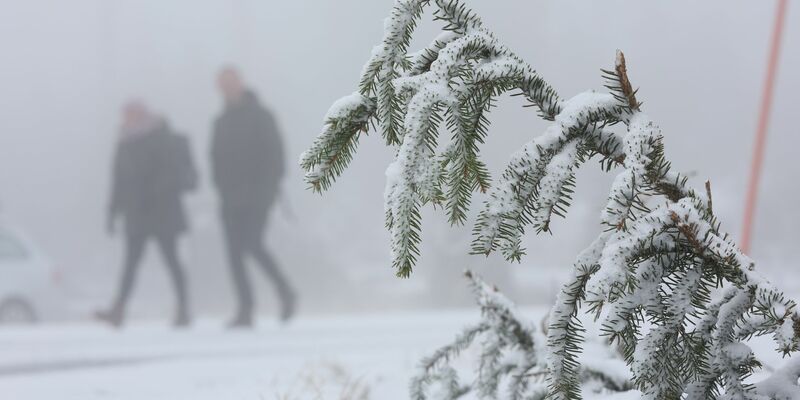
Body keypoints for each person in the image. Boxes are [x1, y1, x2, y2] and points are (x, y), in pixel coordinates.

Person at [97, 100, 197, 328]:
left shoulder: (162, 136)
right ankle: (119, 309)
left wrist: (154, 191)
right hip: (137, 214)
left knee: (172, 261)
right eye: (125, 114)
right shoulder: (124, 143)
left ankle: (183, 308)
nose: (127, 118)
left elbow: (172, 172)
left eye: (132, 114)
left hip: (163, 213)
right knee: (130, 264)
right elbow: (119, 181)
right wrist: (112, 212)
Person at [212, 67, 295, 328]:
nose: (227, 88)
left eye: (230, 82)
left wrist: (267, 190)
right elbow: (215, 158)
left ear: (240, 84)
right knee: (234, 254)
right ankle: (245, 309)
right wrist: (221, 187)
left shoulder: (261, 116)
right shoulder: (221, 122)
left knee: (252, 244)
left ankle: (285, 290)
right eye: (222, 84)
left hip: (258, 195)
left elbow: (276, 155)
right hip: (229, 197)